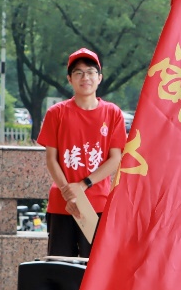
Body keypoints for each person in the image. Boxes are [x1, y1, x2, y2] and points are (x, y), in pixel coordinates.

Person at [37, 48, 125, 258]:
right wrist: (68, 191)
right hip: (62, 204)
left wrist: (83, 185)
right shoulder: (56, 113)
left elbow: (115, 158)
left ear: (99, 77)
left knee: (92, 270)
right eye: (78, 73)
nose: (85, 77)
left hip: (96, 203)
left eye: (90, 72)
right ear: (70, 79)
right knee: (59, 268)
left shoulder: (112, 113)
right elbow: (51, 159)